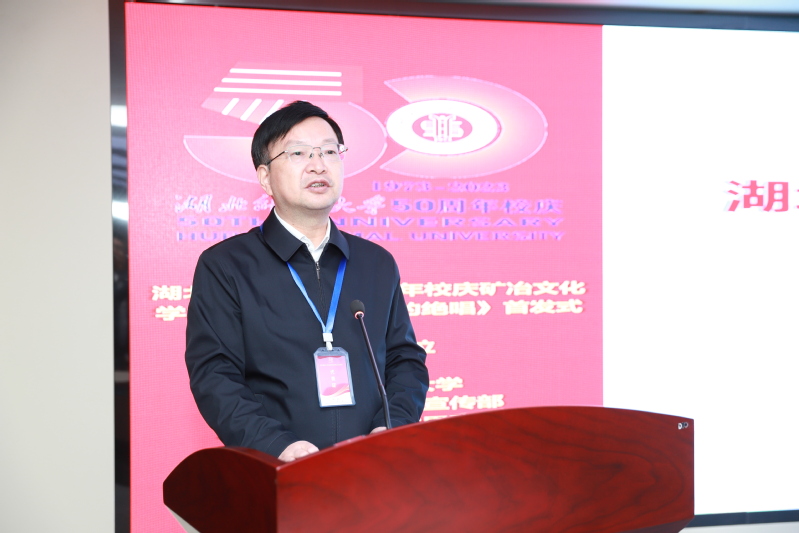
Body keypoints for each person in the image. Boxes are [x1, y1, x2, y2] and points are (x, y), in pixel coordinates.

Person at [185, 101, 429, 462]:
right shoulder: (227, 266)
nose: (318, 165)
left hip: (373, 468)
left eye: (329, 151)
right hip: (276, 470)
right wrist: (277, 446)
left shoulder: (376, 263)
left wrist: (389, 428)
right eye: (298, 153)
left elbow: (404, 360)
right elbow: (215, 375)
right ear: (265, 177)